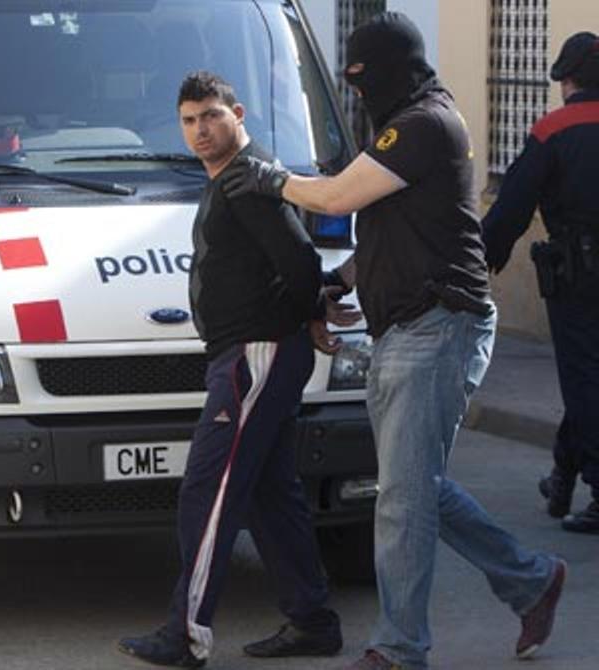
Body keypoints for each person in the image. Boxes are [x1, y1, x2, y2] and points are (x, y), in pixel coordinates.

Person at [220, 12, 565, 669]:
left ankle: (400, 648)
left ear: (398, 70)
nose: (358, 91)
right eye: (349, 80)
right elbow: (388, 230)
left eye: (364, 78)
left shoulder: (423, 124)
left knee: (404, 498)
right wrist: (336, 283)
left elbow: (336, 198)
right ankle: (531, 580)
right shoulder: (404, 122)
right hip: (406, 327)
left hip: (438, 326)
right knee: (416, 488)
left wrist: (269, 177)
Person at [117, 72, 346, 669]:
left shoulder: (246, 179)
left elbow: (301, 260)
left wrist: (307, 312)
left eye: (211, 116)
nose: (201, 130)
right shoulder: (232, 177)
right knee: (270, 493)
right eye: (190, 120)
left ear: (237, 114)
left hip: (256, 353)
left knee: (208, 490)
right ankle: (313, 621)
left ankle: (185, 634)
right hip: (250, 352)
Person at [482, 31, 599, 534]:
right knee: (587, 377)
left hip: (579, 276)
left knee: (583, 376)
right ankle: (562, 476)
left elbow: (513, 203)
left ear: (567, 81)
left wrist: (484, 255)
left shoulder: (554, 129)